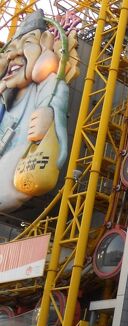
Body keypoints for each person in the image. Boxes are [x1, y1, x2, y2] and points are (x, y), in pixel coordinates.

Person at [0, 10, 73, 212]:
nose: (14, 54)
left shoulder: (47, 86)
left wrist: (49, 116)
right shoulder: (5, 97)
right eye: (9, 51)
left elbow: (56, 101)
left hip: (18, 168)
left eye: (28, 44)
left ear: (45, 43)